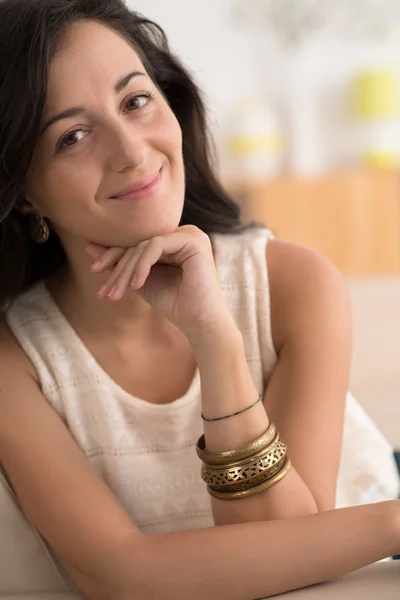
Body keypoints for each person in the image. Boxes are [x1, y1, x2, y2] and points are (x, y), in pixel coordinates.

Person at [0, 1, 398, 599]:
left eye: (136, 101)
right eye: (73, 136)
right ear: (24, 194)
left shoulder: (296, 287)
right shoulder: (17, 361)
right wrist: (395, 523)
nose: (132, 151)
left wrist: (215, 338)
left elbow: (287, 559)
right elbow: (119, 575)